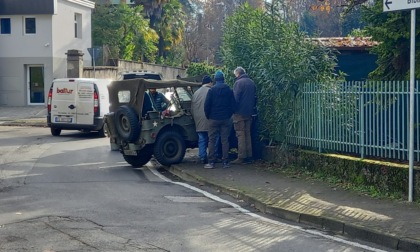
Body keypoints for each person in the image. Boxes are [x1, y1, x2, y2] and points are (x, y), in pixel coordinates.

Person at [204, 70, 236, 169]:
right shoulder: (229, 90)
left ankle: (211, 162)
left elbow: (207, 105)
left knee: (212, 140)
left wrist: (208, 116)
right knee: (225, 140)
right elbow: (233, 104)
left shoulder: (211, 90)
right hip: (226, 118)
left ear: (215, 79)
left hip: (213, 118)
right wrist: (229, 114)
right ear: (223, 79)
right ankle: (225, 162)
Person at [231, 66, 257, 165]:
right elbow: (255, 98)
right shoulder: (251, 82)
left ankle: (242, 156)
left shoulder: (238, 83)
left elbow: (235, 99)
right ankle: (249, 155)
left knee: (240, 134)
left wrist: (233, 110)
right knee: (247, 133)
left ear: (238, 73)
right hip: (249, 112)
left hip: (239, 113)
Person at [191, 75, 213, 164]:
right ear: (210, 82)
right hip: (209, 119)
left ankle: (202, 156)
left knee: (202, 139)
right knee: (212, 139)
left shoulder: (196, 93)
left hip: (198, 120)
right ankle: (212, 156)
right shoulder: (211, 91)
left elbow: (192, 108)